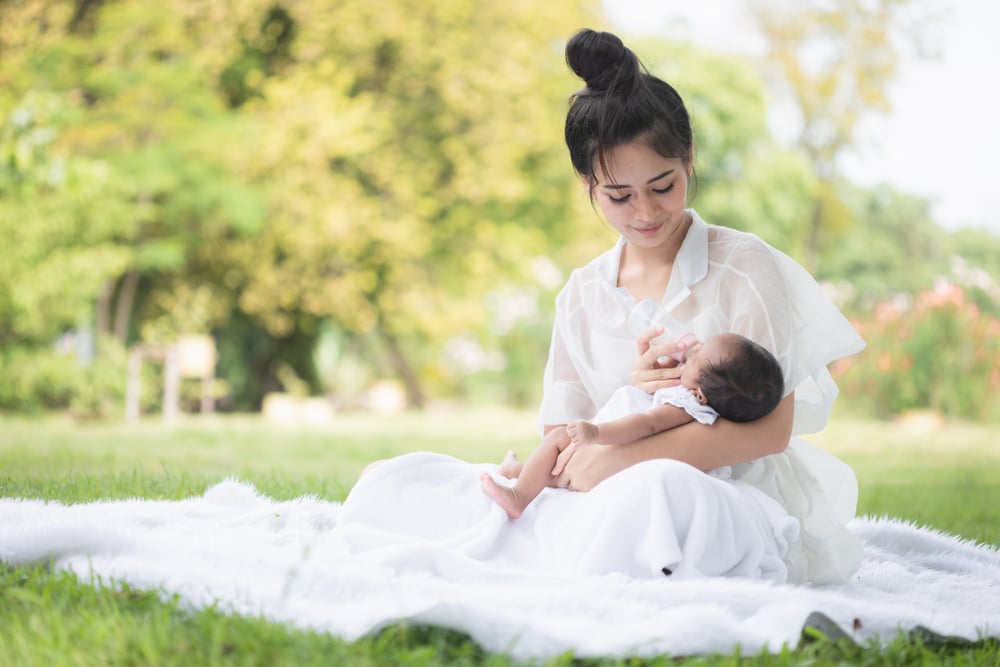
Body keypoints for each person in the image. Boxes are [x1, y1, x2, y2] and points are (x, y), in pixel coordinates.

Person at [510, 27, 866, 584]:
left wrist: (626, 458)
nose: (646, 212)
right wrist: (625, 404)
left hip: (728, 494)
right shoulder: (583, 294)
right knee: (413, 481)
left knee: (657, 492)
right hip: (602, 492)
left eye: (663, 185)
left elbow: (769, 430)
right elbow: (565, 434)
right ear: (587, 184)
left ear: (689, 159)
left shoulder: (744, 266)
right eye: (619, 196)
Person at [481, 332, 784, 519]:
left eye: (697, 358)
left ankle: (519, 496)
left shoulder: (683, 407)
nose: (693, 350)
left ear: (701, 393)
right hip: (607, 460)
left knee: (559, 439)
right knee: (559, 468)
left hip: (608, 453)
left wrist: (596, 433)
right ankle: (515, 470)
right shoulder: (694, 403)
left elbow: (646, 425)